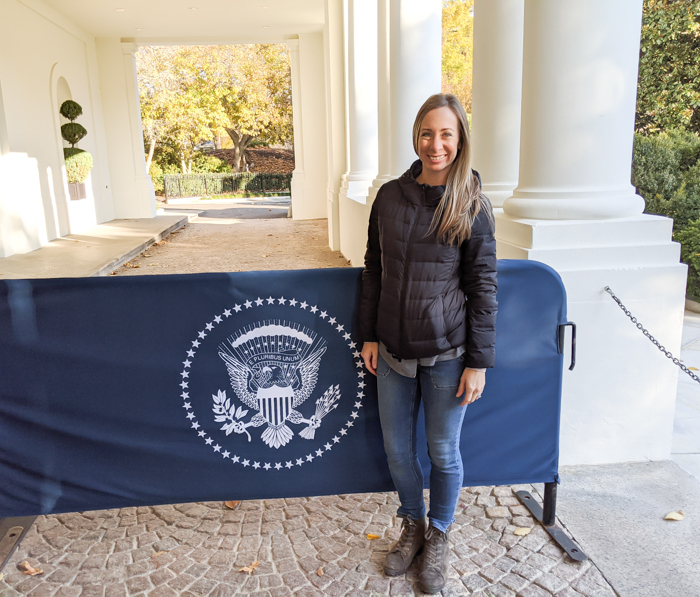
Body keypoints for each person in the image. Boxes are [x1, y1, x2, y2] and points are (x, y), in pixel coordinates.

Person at [358, 93, 497, 594]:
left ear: (460, 141)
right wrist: (369, 333)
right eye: (426, 133)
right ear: (415, 136)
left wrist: (478, 362)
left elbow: (483, 287)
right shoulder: (390, 197)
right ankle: (411, 525)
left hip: (448, 353)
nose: (435, 144)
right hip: (392, 352)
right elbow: (374, 269)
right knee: (399, 452)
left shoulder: (472, 203)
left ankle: (439, 535)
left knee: (442, 450)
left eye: (446, 134)